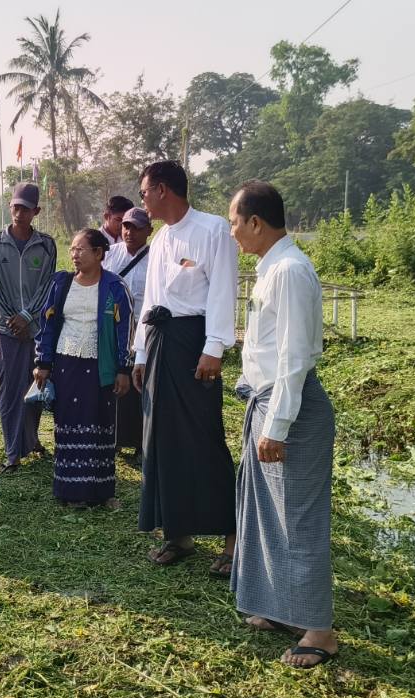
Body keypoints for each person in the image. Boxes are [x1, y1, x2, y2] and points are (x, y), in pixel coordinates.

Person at [227, 180, 338, 668]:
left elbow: (293, 358)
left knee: (297, 518)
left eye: (235, 222)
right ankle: (279, 606)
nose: (232, 232)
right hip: (271, 403)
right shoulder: (272, 268)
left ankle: (320, 632)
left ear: (255, 223)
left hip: (290, 411)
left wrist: (276, 426)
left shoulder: (290, 271)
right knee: (267, 511)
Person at [129, 160, 239, 574]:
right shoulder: (160, 239)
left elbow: (223, 290)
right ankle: (178, 534)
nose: (142, 200)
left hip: (195, 344)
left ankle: (232, 538)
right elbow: (152, 301)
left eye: (144, 192)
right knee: (161, 438)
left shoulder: (212, 230)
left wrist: (214, 348)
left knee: (203, 436)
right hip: (160, 342)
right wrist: (141, 353)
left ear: (162, 189)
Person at [32, 229, 133, 508]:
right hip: (67, 363)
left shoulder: (115, 287)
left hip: (100, 364)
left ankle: (101, 492)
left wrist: (123, 368)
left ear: (98, 253)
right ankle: (69, 490)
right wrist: (43, 362)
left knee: (99, 422)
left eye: (81, 249)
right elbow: (47, 323)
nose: (74, 255)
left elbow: (125, 329)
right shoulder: (61, 284)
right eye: (73, 249)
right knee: (67, 423)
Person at [0, 183, 57, 475]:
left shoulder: (46, 245)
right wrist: (13, 318)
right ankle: (12, 452)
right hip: (7, 330)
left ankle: (32, 439)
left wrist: (28, 316)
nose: (19, 213)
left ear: (35, 211)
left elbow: (47, 285)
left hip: (36, 328)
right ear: (9, 206)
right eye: (15, 207)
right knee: (9, 390)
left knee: (34, 386)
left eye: (26, 209)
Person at [100, 207, 152, 462]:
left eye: (136, 228)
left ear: (149, 231)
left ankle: (142, 444)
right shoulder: (111, 254)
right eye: (126, 226)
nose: (130, 232)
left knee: (141, 386)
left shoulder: (156, 258)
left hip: (143, 332)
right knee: (115, 385)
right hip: (114, 331)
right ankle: (115, 439)